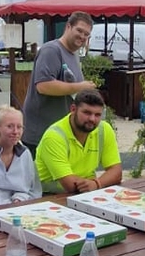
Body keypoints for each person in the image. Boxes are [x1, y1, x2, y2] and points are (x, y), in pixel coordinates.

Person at [22, 11, 93, 153]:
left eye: (86, 34)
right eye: (79, 30)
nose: (82, 36)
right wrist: (80, 87)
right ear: (68, 27)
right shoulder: (51, 50)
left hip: (59, 134)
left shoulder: (73, 55)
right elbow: (43, 86)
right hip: (41, 135)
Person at [35, 89, 122, 195]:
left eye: (97, 115)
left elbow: (117, 173)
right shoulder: (54, 136)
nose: (92, 119)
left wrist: (96, 183)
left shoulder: (104, 130)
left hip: (87, 191)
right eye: (87, 113)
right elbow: (70, 185)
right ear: (73, 109)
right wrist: (95, 184)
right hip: (48, 196)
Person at [0, 106, 42, 208]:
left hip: (21, 206)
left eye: (19, 127)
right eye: (10, 126)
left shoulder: (25, 154)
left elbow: (34, 190)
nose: (15, 131)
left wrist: (19, 199)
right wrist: (7, 204)